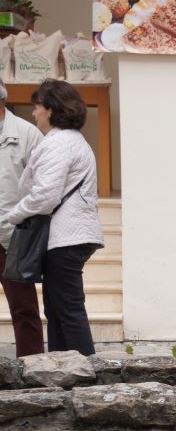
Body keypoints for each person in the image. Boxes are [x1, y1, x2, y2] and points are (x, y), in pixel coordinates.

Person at [1, 79, 103, 356]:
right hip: (70, 235)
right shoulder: (68, 140)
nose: (34, 113)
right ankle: (63, 368)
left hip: (67, 236)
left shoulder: (59, 143)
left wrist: (13, 214)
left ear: (51, 109)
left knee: (67, 308)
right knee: (58, 307)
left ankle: (85, 371)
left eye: (37, 107)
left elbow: (45, 195)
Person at [0, 82, 44, 357]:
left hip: (13, 234)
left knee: (23, 307)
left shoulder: (27, 134)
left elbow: (42, 184)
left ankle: (32, 367)